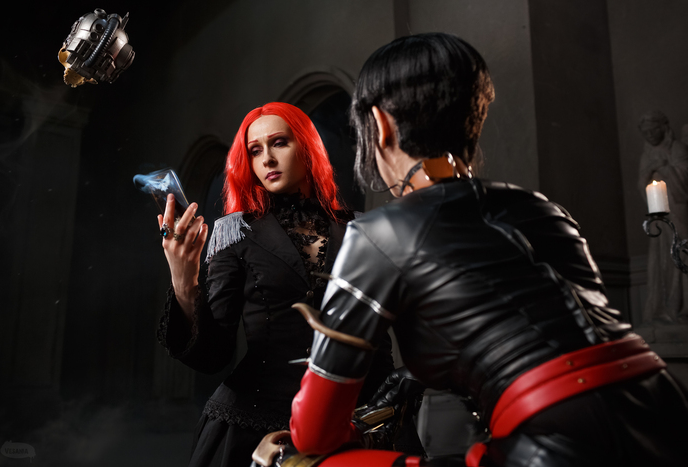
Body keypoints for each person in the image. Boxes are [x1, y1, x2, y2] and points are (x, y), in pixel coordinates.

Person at [279, 34, 688, 467]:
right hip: (670, 415)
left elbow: (313, 432)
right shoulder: (543, 208)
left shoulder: (376, 233)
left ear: (379, 125)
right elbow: (546, 335)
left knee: (296, 462)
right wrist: (410, 377)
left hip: (561, 446)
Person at [156, 102, 396, 467]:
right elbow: (213, 355)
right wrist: (183, 278)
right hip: (253, 427)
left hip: (352, 424)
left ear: (307, 147)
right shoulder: (235, 233)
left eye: (279, 142)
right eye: (255, 151)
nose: (267, 158)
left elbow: (378, 345)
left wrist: (388, 412)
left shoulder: (361, 230)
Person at [637, 111, 688, 324]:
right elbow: (642, 183)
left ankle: (683, 307)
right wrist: (649, 170)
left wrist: (665, 170)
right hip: (660, 214)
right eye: (646, 132)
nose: (650, 135)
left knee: (682, 249)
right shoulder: (647, 155)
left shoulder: (676, 148)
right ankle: (664, 308)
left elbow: (684, 176)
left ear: (663, 128)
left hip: (678, 207)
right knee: (663, 255)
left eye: (653, 130)